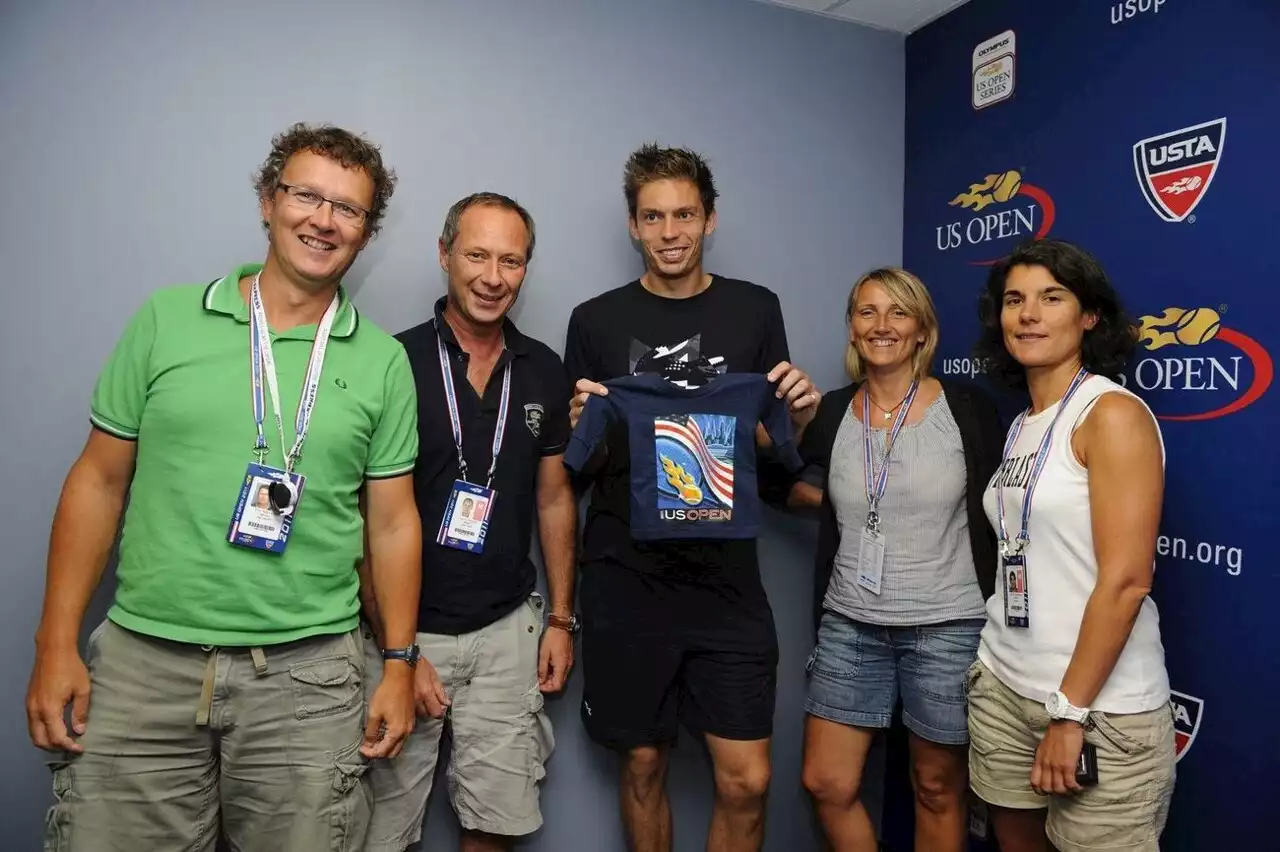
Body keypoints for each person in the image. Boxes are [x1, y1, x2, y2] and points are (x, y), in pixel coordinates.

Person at [25, 123, 423, 852]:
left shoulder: (382, 363)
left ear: (367, 234)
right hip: (146, 669)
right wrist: (57, 643)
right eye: (307, 195)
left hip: (307, 683)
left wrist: (398, 663)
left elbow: (393, 524)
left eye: (349, 209)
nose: (323, 220)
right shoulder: (167, 320)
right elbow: (97, 481)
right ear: (269, 201)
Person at [564, 143, 820, 852]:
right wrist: (581, 425)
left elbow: (769, 459)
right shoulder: (594, 321)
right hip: (625, 578)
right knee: (643, 762)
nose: (669, 231)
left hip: (726, 584)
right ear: (632, 226)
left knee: (746, 780)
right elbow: (576, 470)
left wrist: (793, 420)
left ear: (710, 220)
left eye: (684, 214)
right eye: (653, 217)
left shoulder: (754, 308)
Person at [360, 192, 577, 852]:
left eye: (511, 260)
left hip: (506, 632)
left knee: (496, 822)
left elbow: (554, 500)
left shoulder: (543, 369)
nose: (492, 276)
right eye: (477, 255)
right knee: (379, 829)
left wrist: (563, 620)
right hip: (404, 631)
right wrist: (399, 651)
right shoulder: (390, 363)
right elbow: (363, 521)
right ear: (444, 253)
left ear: (525, 269)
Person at [966, 239, 1176, 852]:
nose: (1027, 314)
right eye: (1014, 300)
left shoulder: (1111, 414)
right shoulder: (1023, 422)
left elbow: (1128, 580)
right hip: (1006, 686)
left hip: (1097, 710)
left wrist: (1069, 713)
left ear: (1089, 317)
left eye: (1050, 297)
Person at [792, 268, 1005, 852]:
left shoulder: (968, 410)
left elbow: (1003, 513)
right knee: (826, 781)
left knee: (937, 788)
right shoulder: (832, 412)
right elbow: (779, 480)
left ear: (922, 331)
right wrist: (841, 506)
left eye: (898, 313)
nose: (881, 325)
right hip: (850, 624)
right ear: (852, 329)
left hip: (947, 626)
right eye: (867, 312)